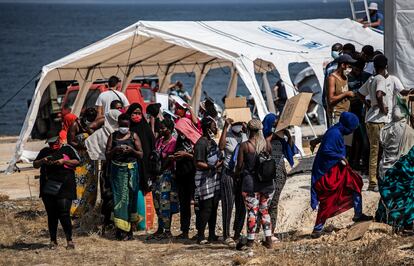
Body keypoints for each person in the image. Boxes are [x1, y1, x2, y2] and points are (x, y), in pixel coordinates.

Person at [311, 112, 373, 238]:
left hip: (337, 168)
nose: (351, 131)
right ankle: (317, 229)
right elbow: (326, 150)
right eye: (351, 128)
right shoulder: (334, 133)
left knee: (355, 183)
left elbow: (325, 139)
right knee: (328, 200)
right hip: (327, 172)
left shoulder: (336, 130)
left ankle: (358, 214)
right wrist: (340, 157)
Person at [357, 55, 406, 191]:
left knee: (376, 151)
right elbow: (379, 95)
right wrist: (382, 107)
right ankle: (374, 182)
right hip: (379, 121)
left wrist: (368, 104)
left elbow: (360, 93)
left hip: (372, 120)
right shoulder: (380, 79)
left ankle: (377, 179)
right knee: (379, 151)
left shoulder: (372, 78)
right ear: (385, 66)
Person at [33, 134, 80, 249]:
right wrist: (42, 161)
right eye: (50, 143)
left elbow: (77, 161)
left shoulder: (68, 149)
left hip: (65, 185)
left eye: (54, 142)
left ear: (59, 140)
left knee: (64, 213)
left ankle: (69, 240)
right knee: (52, 214)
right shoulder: (44, 151)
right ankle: (53, 241)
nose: (52, 145)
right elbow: (35, 164)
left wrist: (64, 161)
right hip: (48, 185)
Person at [235, 119, 274, 250]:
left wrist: (237, 174)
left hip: (250, 183)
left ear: (249, 130)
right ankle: (268, 240)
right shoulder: (267, 144)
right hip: (266, 183)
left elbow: (239, 166)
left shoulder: (245, 146)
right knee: (264, 211)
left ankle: (250, 242)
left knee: (252, 212)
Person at [375, 102, 414, 230]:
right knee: (405, 195)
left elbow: (380, 152)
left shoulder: (384, 129)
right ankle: (405, 221)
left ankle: (386, 218)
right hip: (400, 169)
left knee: (387, 196)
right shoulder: (409, 131)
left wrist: (377, 170)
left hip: (385, 168)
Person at [105, 113, 143, 240]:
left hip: (132, 170)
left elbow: (141, 154)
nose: (123, 127)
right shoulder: (113, 136)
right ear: (118, 124)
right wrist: (115, 150)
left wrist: (131, 151)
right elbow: (107, 154)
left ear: (129, 125)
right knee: (120, 199)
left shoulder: (134, 136)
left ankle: (130, 230)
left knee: (131, 198)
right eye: (121, 125)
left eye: (126, 125)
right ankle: (120, 230)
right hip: (117, 170)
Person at [262, 113, 297, 242]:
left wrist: (288, 137)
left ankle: (271, 232)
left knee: (274, 204)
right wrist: (272, 136)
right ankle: (263, 232)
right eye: (274, 124)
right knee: (266, 204)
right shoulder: (264, 137)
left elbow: (291, 150)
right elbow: (265, 149)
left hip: (279, 174)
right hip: (268, 175)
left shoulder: (281, 138)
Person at [218, 118, 247, 246]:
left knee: (242, 206)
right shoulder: (228, 135)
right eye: (236, 124)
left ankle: (237, 233)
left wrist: (248, 130)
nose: (238, 126)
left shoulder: (245, 136)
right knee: (228, 205)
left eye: (239, 124)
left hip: (241, 175)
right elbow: (221, 146)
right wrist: (225, 127)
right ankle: (226, 235)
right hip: (229, 174)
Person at [149, 118, 179, 240]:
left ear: (170, 129)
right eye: (160, 128)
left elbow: (169, 160)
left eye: (163, 128)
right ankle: (160, 228)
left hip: (167, 176)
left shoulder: (173, 142)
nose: (161, 130)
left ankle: (167, 230)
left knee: (165, 203)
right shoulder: (159, 141)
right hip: (157, 176)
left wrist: (160, 169)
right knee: (157, 202)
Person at [193, 116, 221, 244]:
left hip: (213, 176)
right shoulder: (201, 143)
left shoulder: (212, 142)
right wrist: (212, 166)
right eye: (213, 126)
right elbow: (198, 163)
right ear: (207, 127)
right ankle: (200, 235)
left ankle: (211, 234)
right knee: (207, 207)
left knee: (214, 206)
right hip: (204, 179)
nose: (215, 128)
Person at [174, 117, 202, 239]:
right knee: (184, 205)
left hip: (194, 176)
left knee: (197, 205)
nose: (179, 133)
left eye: (180, 131)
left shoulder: (196, 140)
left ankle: (199, 231)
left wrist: (187, 155)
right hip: (182, 176)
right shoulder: (179, 140)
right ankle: (184, 230)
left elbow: (200, 157)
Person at [67, 108, 98, 217]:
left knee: (90, 185)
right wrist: (82, 146)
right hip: (80, 158)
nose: (91, 121)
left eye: (93, 119)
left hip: (91, 159)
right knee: (79, 185)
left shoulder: (92, 125)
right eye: (89, 119)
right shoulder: (75, 125)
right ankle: (76, 211)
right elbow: (70, 141)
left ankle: (88, 210)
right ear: (85, 117)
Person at [347, 59, 371, 172]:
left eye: (360, 70)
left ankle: (357, 161)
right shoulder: (347, 78)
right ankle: (350, 161)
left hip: (362, 112)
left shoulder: (367, 76)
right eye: (356, 69)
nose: (358, 72)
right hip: (351, 111)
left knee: (360, 139)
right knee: (349, 138)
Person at [126, 103, 155, 193]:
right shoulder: (127, 127)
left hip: (145, 161)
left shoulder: (146, 127)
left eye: (139, 113)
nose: (137, 116)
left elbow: (152, 143)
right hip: (131, 160)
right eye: (134, 113)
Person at [327, 54, 356, 124]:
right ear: (343, 65)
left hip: (346, 113)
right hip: (337, 114)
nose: (350, 68)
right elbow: (331, 99)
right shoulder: (332, 78)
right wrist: (346, 94)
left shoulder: (345, 77)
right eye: (349, 66)